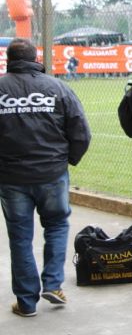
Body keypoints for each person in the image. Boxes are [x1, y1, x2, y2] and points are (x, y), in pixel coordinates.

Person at [0, 38, 91, 317]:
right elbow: (81, 133)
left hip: (12, 176)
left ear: (8, 59)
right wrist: (66, 160)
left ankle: (26, 302)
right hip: (52, 173)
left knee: (20, 236)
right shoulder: (57, 88)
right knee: (57, 225)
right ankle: (53, 283)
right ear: (35, 57)